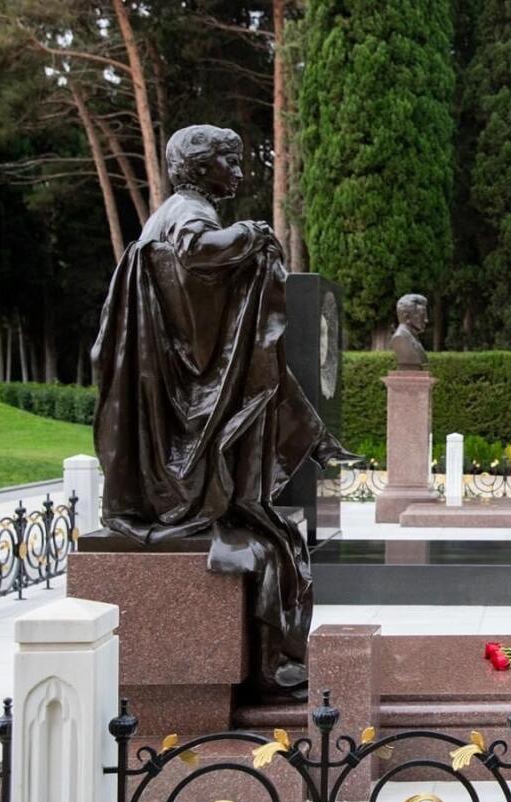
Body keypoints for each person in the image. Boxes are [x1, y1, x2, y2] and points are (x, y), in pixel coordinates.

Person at [92, 124, 357, 699]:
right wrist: (252, 234)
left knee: (273, 519)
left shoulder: (174, 210)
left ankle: (310, 436)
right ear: (199, 166)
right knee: (273, 536)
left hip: (178, 397)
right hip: (184, 409)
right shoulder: (188, 212)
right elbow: (196, 251)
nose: (239, 173)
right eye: (229, 162)